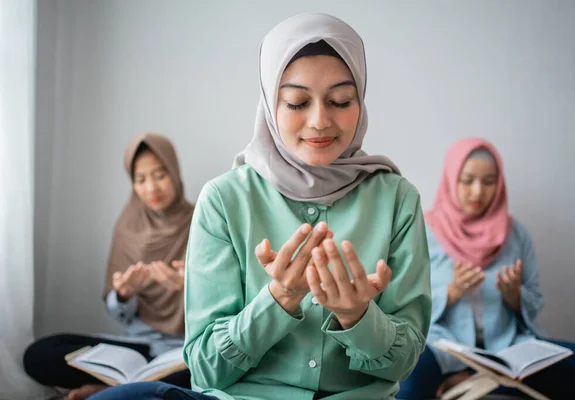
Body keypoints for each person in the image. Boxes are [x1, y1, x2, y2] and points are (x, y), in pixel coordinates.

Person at [86, 13, 432, 400]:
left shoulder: (397, 199)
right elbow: (204, 366)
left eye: (340, 100)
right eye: (297, 102)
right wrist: (280, 298)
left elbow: (406, 362)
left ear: (361, 99)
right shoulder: (224, 199)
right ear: (270, 103)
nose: (320, 120)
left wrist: (358, 316)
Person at [396, 137, 575, 400]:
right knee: (405, 383)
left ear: (499, 184)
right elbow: (403, 304)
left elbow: (535, 299)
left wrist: (516, 297)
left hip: (507, 349)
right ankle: (468, 377)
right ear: (451, 180)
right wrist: (452, 292)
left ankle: (475, 379)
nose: (478, 191)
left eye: (489, 181)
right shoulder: (423, 231)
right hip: (442, 348)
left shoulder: (515, 235)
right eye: (467, 180)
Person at [23, 134, 195, 400]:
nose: (152, 188)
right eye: (141, 179)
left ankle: (112, 392)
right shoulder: (127, 228)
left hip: (184, 349)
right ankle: (130, 388)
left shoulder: (203, 222)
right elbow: (119, 312)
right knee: (39, 354)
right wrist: (125, 294)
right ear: (133, 183)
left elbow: (223, 307)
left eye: (160, 175)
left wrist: (191, 285)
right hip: (135, 346)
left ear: (175, 172)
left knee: (210, 371)